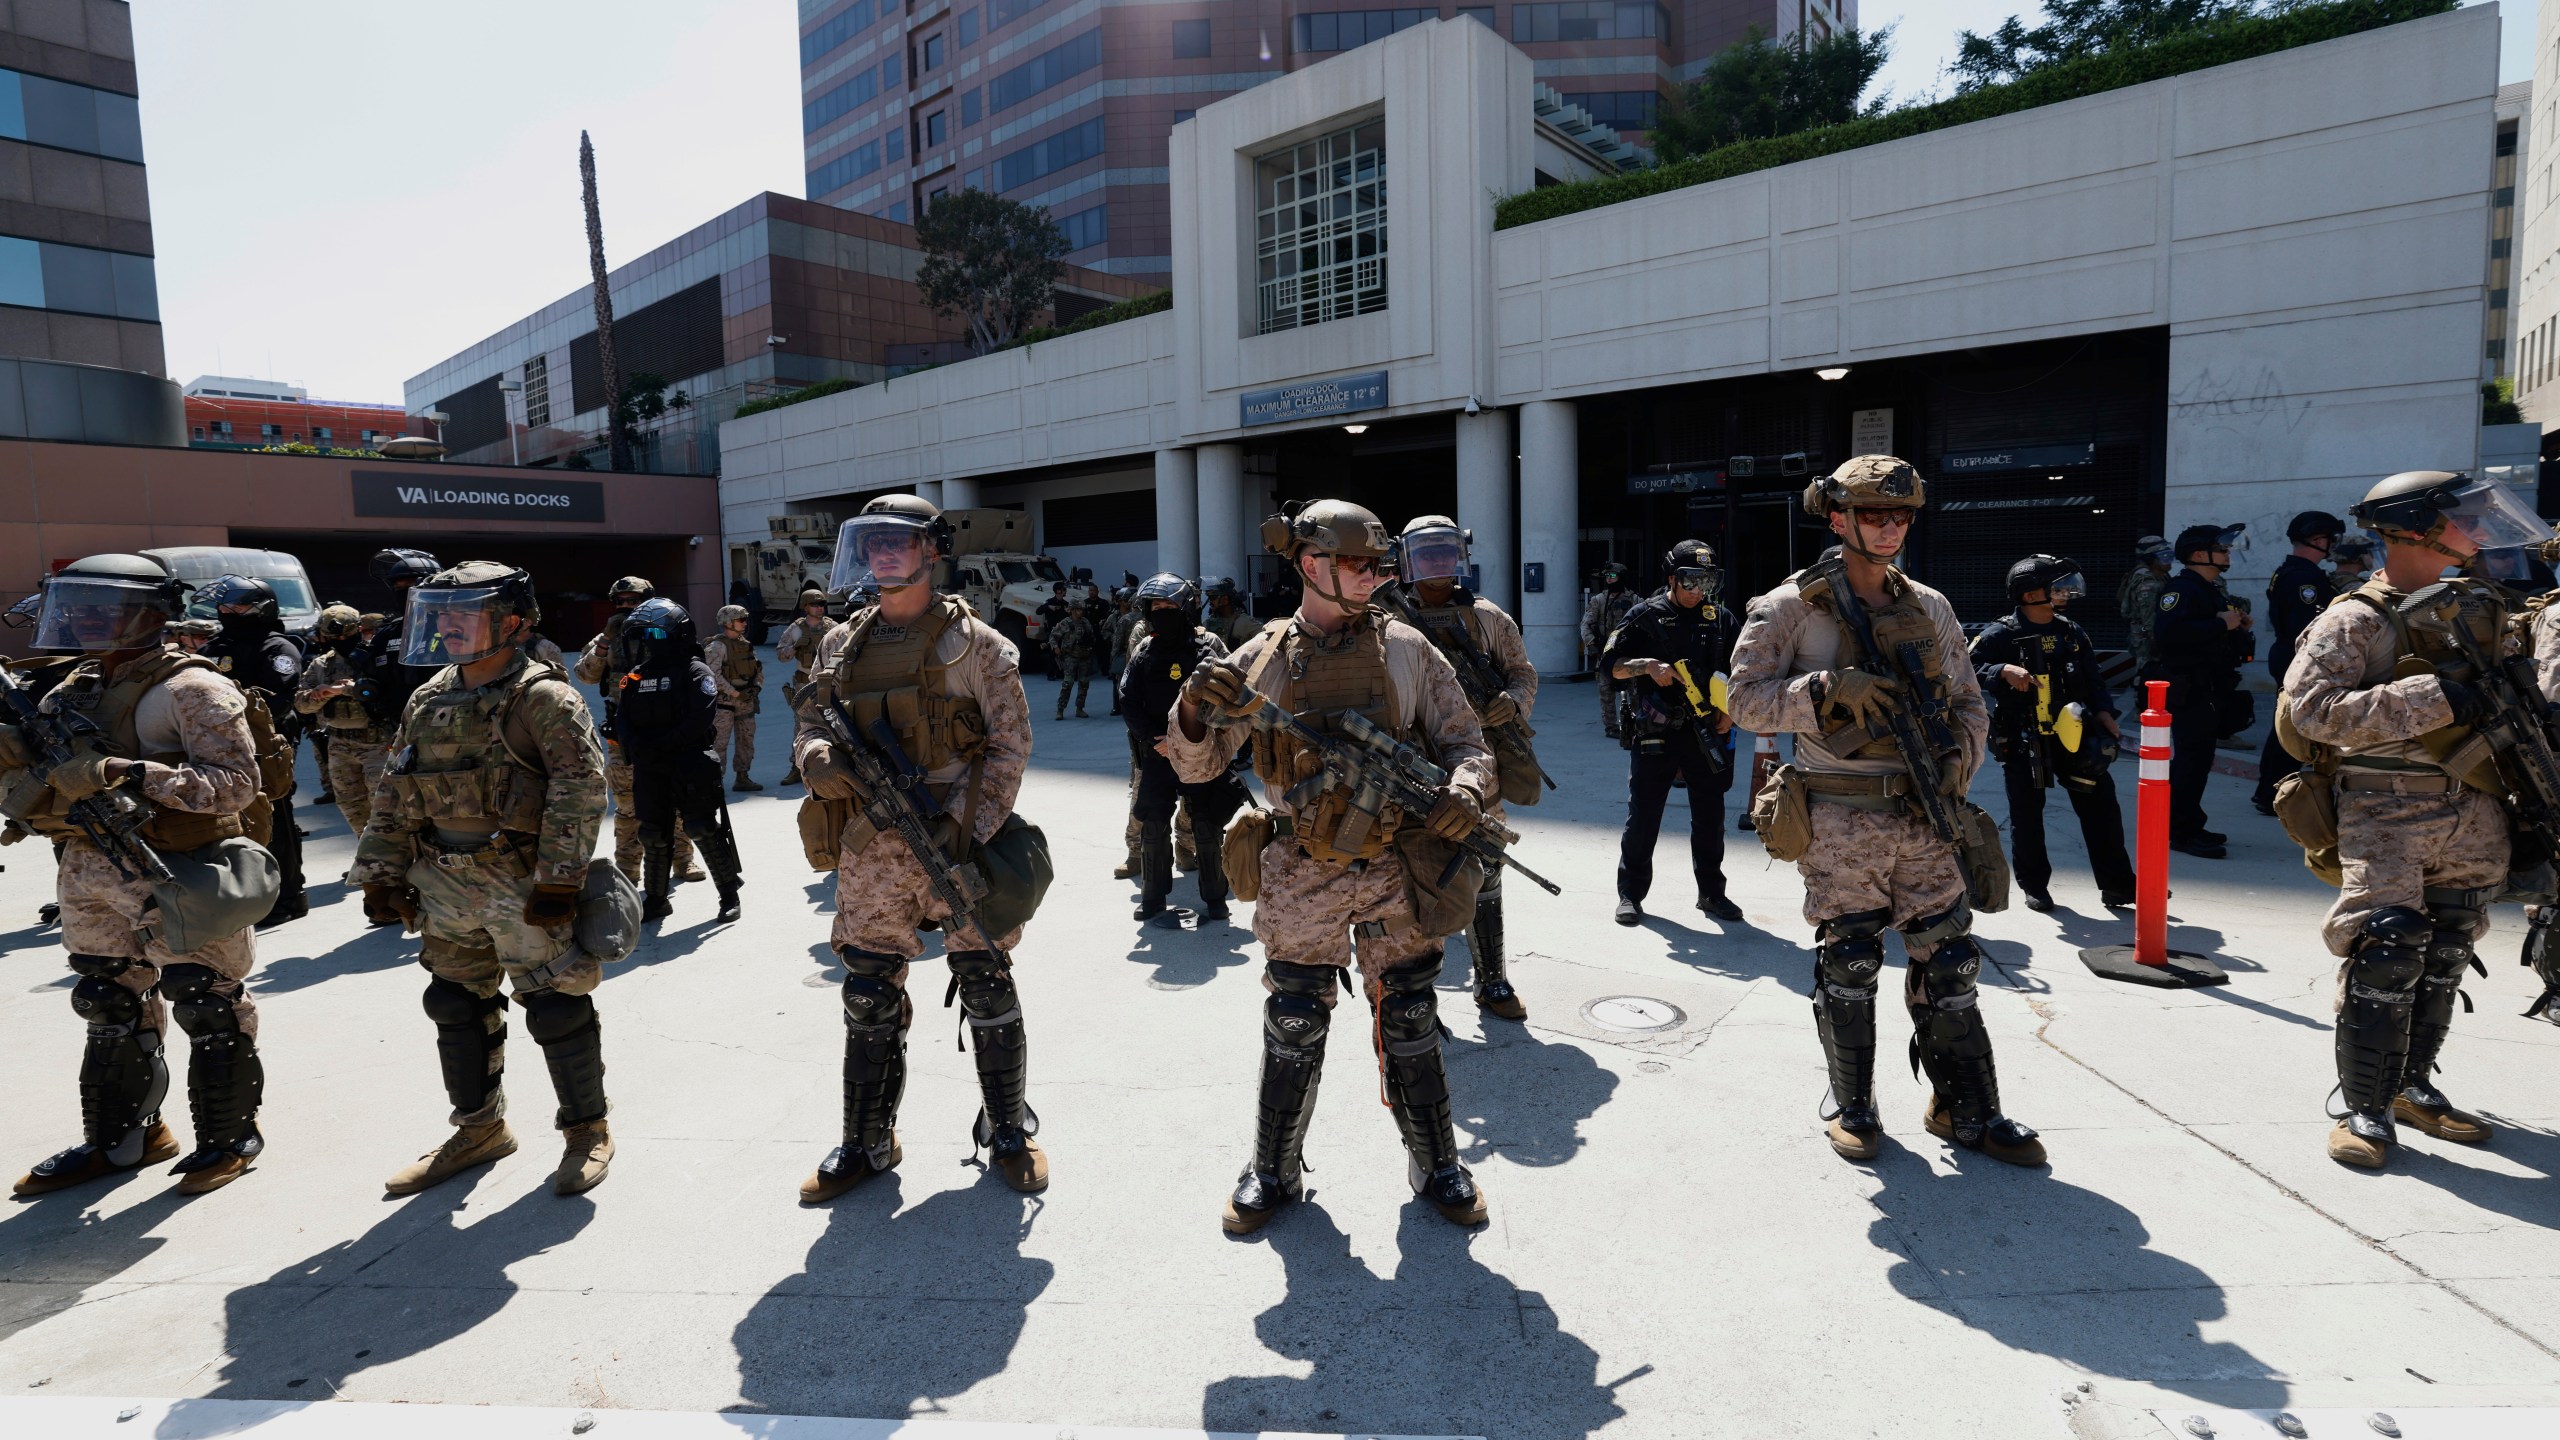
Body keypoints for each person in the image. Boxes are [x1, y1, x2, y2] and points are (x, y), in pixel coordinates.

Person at [1172, 499, 1497, 1234]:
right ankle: (1272, 1170)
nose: (1379, 577)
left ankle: (1437, 1162)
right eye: (1363, 564)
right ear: (1313, 565)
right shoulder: (1258, 658)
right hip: (1301, 866)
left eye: (1385, 565)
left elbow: (1468, 744)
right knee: (1293, 1019)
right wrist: (1194, 709)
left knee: (1410, 1010)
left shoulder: (1409, 649)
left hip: (1393, 863)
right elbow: (1196, 766)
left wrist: (1465, 792)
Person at [1729, 456, 2042, 1168]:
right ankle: (1855, 1105)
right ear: (1837, 518)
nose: (1891, 527)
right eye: (1874, 514)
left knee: (1953, 962)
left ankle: (1966, 1107)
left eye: (1901, 515)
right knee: (1851, 961)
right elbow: (1742, 701)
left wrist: (1962, 759)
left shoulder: (1929, 605)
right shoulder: (1788, 608)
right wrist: (1826, 688)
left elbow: (1967, 698)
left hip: (1924, 813)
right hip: (1839, 816)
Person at [2278, 470, 2552, 1169]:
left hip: (2475, 806)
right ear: (2415, 527)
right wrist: (2434, 696)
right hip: (2388, 808)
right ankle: (2364, 1108)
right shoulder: (2357, 618)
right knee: (2390, 946)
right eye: (2465, 518)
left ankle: (2412, 1086)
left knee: (2450, 946)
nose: (2481, 530)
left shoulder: (2484, 608)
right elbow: (2309, 716)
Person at [791, 494, 1047, 1202]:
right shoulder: (840, 645)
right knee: (869, 991)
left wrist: (970, 833)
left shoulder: (977, 646)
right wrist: (816, 760)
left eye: (896, 544)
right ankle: (867, 1140)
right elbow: (812, 720)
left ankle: (1008, 1133)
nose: (881, 556)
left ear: (932, 551)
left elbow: (1010, 748)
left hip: (957, 838)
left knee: (985, 980)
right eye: (870, 544)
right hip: (873, 844)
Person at [4, 553, 270, 1196]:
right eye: (75, 604)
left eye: (102, 605)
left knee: (204, 1000)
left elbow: (238, 786)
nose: (81, 618)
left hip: (176, 866)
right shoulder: (72, 689)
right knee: (107, 1000)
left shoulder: (194, 688)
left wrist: (128, 773)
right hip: (88, 867)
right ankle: (124, 1138)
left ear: (151, 615)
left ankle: (229, 1139)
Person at [352, 561, 618, 1198]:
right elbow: (394, 789)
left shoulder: (544, 697)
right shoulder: (428, 696)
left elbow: (580, 791)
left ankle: (588, 1131)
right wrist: (381, 870)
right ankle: (479, 1129)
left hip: (524, 886)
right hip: (443, 882)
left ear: (514, 623)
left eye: (461, 615)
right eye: (439, 614)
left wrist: (559, 882)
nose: (444, 626)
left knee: (555, 1006)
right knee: (454, 1005)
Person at [1375, 517, 1546, 1019]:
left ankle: (1491, 979)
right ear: (1408, 559)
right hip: (1405, 762)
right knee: (1403, 864)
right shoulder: (1382, 616)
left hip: (1476, 761)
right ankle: (1407, 983)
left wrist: (1512, 704)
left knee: (1486, 864)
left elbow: (1524, 674)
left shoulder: (1488, 618)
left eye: (1446, 554)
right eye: (1426, 555)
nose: (1438, 564)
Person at [1969, 555, 2134, 912]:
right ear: (2030, 595)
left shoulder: (2071, 631)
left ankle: (2119, 886)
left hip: (2076, 736)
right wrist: (2001, 670)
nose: (2066, 591)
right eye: (2056, 586)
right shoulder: (2000, 634)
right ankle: (2035, 887)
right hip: (2024, 738)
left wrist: (2105, 714)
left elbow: (2093, 679)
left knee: (2102, 808)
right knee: (2027, 816)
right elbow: (1966, 667)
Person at [1600, 539, 1740, 930]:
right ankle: (1630, 894)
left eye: (1706, 582)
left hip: (1708, 730)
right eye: (1690, 582)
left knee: (1711, 815)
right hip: (1657, 730)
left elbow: (1744, 671)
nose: (1698, 591)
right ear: (1672, 579)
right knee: (1644, 815)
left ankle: (1712, 892)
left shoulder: (1720, 618)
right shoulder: (1644, 615)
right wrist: (1646, 666)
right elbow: (1609, 666)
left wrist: (1730, 714)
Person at [1120, 573, 1244, 926]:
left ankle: (1216, 899)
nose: (1162, 612)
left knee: (1206, 824)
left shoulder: (1210, 645)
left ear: (1185, 608)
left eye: (1169, 606)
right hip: (1158, 752)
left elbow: (1230, 695)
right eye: (1156, 607)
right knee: (1153, 824)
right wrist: (1154, 739)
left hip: (1200, 752)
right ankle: (1153, 898)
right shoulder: (1145, 650)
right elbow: (1128, 700)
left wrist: (1200, 742)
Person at [616, 599, 746, 924]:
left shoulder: (695, 671)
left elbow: (699, 720)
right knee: (653, 833)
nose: (649, 641)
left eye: (656, 634)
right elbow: (623, 719)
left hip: (690, 761)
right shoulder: (635, 677)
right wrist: (635, 745)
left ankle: (729, 894)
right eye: (645, 635)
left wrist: (659, 744)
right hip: (650, 766)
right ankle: (657, 900)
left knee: (702, 827)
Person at [196, 575, 307, 930]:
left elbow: (276, 699)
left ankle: (288, 896)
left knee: (274, 817)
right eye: (224, 607)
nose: (228, 612)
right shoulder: (214, 647)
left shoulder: (277, 648)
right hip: (215, 749)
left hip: (263, 748)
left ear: (262, 608)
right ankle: (246, 893)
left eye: (238, 607)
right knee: (228, 823)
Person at [575, 576, 697, 884]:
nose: (627, 608)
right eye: (621, 602)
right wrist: (605, 638)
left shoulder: (664, 634)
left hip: (667, 731)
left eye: (634, 601)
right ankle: (628, 871)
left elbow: (689, 664)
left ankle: (683, 860)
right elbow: (586, 675)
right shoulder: (608, 639)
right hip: (624, 736)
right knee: (628, 806)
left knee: (677, 798)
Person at [2151, 524, 2249, 858]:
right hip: (2190, 689)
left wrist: (2234, 623)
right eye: (2221, 549)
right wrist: (2221, 623)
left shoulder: (2208, 588)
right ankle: (2180, 832)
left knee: (2200, 759)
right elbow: (2169, 634)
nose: (2227, 554)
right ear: (2198, 555)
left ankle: (2191, 822)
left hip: (2209, 687)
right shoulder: (2181, 590)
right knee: (2190, 762)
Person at [2252, 512, 2345, 814]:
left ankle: (2268, 791)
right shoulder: (2306, 577)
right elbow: (2311, 626)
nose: (2332, 546)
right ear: (2318, 540)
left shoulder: (2290, 571)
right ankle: (2274, 794)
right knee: (2293, 729)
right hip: (2298, 656)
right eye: (2329, 539)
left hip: (2288, 653)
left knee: (2285, 726)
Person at [298, 605, 394, 857]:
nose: (339, 642)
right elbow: (300, 703)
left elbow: (387, 695)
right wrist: (319, 694)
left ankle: (389, 858)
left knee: (382, 805)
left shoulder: (374, 657)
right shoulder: (321, 664)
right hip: (339, 743)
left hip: (376, 741)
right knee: (351, 804)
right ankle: (367, 858)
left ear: (357, 630)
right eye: (333, 638)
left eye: (344, 636)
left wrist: (349, 690)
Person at [773, 588, 833, 785]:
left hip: (827, 682)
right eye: (815, 605)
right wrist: (796, 646)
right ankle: (796, 767)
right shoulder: (796, 629)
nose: (819, 608)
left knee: (832, 723)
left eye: (822, 604)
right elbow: (781, 655)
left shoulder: (832, 627)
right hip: (804, 682)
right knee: (801, 726)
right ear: (805, 607)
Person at [704, 604, 765, 791]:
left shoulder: (745, 644)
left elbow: (757, 669)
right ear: (728, 622)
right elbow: (713, 675)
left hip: (745, 699)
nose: (745, 623)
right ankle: (715, 782)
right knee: (719, 742)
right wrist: (735, 693)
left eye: (745, 619)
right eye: (741, 620)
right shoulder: (716, 646)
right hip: (725, 702)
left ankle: (742, 776)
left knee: (746, 739)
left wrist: (755, 688)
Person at [2116, 536, 2173, 679]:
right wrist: (2156, 641)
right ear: (2151, 559)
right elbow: (2148, 615)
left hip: (2151, 633)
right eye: (2164, 557)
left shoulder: (2160, 575)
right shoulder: (2147, 580)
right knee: (2146, 672)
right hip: (2147, 636)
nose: (2168, 560)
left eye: (2169, 555)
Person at [1048, 597, 1103, 719]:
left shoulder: (1086, 623)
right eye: (1078, 609)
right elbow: (1053, 637)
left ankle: (1080, 708)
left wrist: (1089, 643)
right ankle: (1060, 709)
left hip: (1084, 657)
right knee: (1067, 683)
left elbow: (1092, 638)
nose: (1081, 612)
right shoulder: (1065, 623)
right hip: (1070, 657)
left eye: (1081, 609)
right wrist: (1055, 647)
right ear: (1072, 610)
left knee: (1084, 683)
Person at [1581, 563, 1637, 673]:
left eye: (1612, 576)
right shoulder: (1598, 600)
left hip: (1629, 650)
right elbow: (1585, 624)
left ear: (1621, 577)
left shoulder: (1634, 599)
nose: (1609, 579)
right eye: (1607, 576)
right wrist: (1592, 644)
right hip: (1605, 650)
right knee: (1605, 686)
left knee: (1633, 685)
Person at [1201, 576, 1261, 651]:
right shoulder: (1207, 623)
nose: (1210, 601)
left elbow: (1267, 636)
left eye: (1213, 597)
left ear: (1225, 599)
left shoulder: (1244, 621)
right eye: (1209, 598)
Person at [1106, 585, 1140, 718]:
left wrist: (1112, 660)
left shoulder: (1125, 619)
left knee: (1122, 684)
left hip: (1126, 655)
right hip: (1141, 655)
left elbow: (1117, 643)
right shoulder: (1147, 618)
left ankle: (1126, 709)